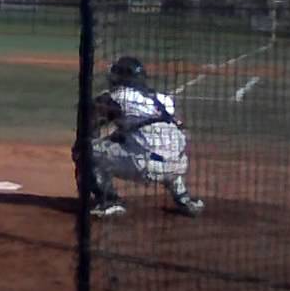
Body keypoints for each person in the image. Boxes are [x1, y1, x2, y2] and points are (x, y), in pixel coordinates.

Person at [85, 56, 205, 218]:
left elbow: (89, 117)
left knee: (84, 150)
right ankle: (184, 199)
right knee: (166, 149)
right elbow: (182, 131)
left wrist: (101, 133)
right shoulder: (164, 99)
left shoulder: (118, 96)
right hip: (179, 165)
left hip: (145, 166)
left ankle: (109, 201)